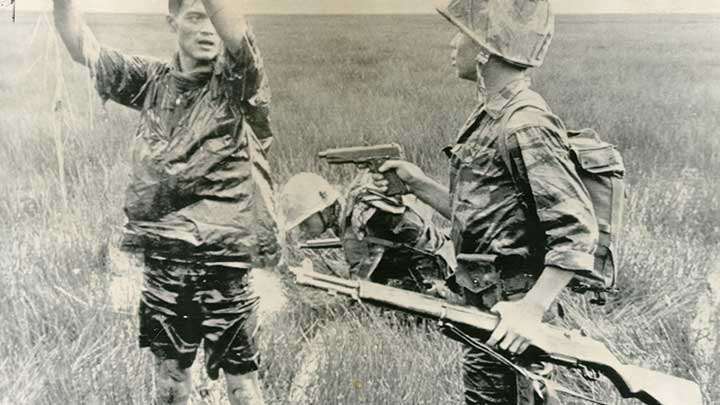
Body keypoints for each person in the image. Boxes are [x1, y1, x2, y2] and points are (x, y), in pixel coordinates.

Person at [373, 0, 602, 403]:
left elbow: (577, 232)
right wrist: (418, 185)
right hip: (487, 310)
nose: (451, 43)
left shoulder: (525, 122)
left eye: (460, 33)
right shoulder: (490, 116)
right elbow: (485, 217)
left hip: (512, 317)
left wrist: (531, 311)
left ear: (483, 49)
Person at [53, 1, 279, 404]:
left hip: (223, 260)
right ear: (171, 22)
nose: (207, 28)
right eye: (195, 17)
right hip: (164, 258)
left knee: (243, 387)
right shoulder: (151, 81)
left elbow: (236, 33)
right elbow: (79, 44)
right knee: (170, 383)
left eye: (211, 16)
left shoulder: (236, 80)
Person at [280, 171, 456, 294]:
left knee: (397, 318)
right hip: (429, 255)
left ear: (324, 209)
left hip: (436, 270)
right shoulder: (351, 211)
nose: (303, 229)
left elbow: (360, 286)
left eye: (304, 221)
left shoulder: (358, 221)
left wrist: (312, 280)